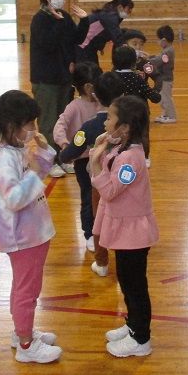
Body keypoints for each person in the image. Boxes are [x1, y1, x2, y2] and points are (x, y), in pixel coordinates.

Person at [0, 90, 62, 364]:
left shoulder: (17, 151)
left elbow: (44, 168)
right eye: (30, 124)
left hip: (34, 233)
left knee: (27, 287)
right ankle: (26, 345)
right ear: (12, 126)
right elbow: (14, 198)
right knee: (27, 291)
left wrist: (44, 146)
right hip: (23, 237)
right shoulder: (5, 160)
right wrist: (36, 171)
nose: (33, 129)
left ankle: (21, 332)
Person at [88, 95, 159, 357]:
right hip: (125, 229)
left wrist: (97, 164)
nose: (105, 122)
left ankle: (142, 339)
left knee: (135, 285)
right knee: (127, 281)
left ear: (125, 127)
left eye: (109, 118)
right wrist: (103, 151)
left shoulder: (131, 158)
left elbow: (111, 191)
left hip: (134, 233)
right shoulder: (121, 149)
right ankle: (133, 325)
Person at [58, 71, 125, 278]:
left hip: (96, 179)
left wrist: (62, 155)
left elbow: (71, 152)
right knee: (121, 212)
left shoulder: (88, 127)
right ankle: (123, 247)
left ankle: (98, 252)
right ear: (122, 95)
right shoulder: (128, 124)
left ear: (95, 95)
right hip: (122, 179)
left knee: (95, 212)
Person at [29, 0, 88, 179]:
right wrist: (58, 22)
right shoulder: (40, 19)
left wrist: (85, 20)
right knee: (47, 121)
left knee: (64, 120)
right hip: (45, 79)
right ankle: (49, 161)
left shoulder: (62, 16)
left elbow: (76, 39)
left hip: (63, 77)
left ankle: (63, 158)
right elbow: (48, 44)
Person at [53, 61, 103, 253]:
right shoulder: (74, 106)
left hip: (101, 158)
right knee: (88, 195)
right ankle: (89, 233)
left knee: (103, 195)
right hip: (83, 160)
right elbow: (60, 125)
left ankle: (102, 229)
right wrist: (65, 143)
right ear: (89, 86)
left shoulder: (101, 103)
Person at [76, 0, 134, 66]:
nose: (129, 12)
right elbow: (116, 35)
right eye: (128, 10)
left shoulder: (110, 13)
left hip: (88, 47)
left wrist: (100, 46)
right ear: (120, 7)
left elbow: (104, 33)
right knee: (90, 72)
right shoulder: (110, 16)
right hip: (83, 46)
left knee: (94, 71)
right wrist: (126, 48)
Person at [146, 25, 177, 124]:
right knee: (162, 99)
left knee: (166, 98)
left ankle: (171, 116)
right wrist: (150, 56)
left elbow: (160, 60)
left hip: (166, 79)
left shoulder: (168, 52)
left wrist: (147, 60)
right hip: (162, 79)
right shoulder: (167, 50)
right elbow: (159, 57)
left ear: (163, 40)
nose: (158, 42)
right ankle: (165, 114)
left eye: (158, 40)